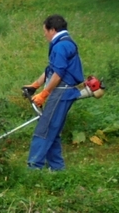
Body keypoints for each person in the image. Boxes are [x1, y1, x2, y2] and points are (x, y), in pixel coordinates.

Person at [22, 14, 84, 171]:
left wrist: (44, 94)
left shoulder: (61, 46)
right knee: (53, 128)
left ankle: (34, 168)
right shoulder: (63, 43)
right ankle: (57, 168)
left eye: (45, 31)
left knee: (44, 129)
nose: (44, 34)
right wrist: (35, 85)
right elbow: (52, 69)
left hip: (61, 92)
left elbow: (58, 74)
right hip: (61, 90)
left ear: (53, 29)